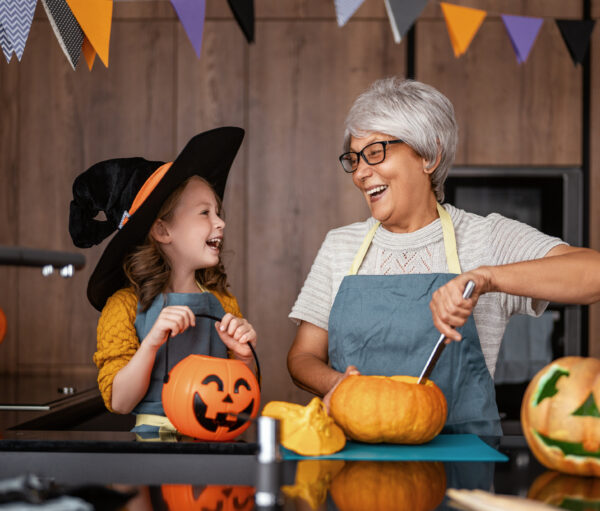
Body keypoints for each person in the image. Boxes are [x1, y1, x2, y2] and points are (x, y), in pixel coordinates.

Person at [287, 78, 600, 436]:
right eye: (355, 158)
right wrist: (341, 385)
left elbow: (593, 274)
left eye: (375, 153)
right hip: (351, 455)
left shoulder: (486, 239)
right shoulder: (340, 244)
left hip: (461, 465)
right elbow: (302, 358)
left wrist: (487, 278)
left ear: (429, 156)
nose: (360, 173)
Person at [69, 127, 257, 436]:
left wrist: (244, 356)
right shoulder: (124, 306)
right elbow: (120, 402)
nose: (220, 222)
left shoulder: (223, 303)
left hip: (216, 447)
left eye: (218, 212)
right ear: (162, 231)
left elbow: (240, 403)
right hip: (152, 451)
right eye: (204, 213)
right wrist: (152, 342)